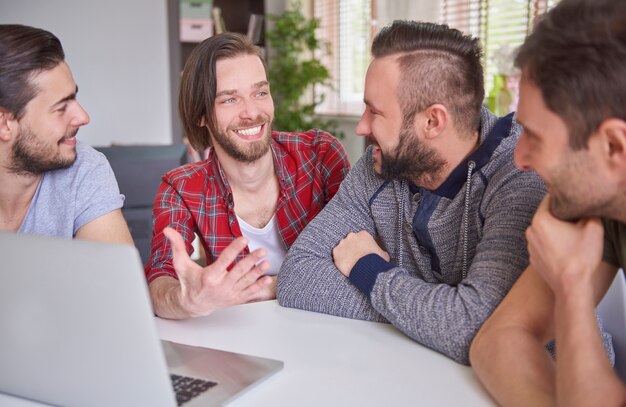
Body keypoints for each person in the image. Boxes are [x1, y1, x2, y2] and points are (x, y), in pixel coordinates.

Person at [276, 20, 546, 364]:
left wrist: (366, 267)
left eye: (375, 112)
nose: (360, 127)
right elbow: (298, 276)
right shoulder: (380, 166)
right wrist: (434, 315)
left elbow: (477, 327)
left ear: (432, 122)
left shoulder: (520, 173)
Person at [470, 0, 626, 404]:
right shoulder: (598, 197)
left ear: (613, 146)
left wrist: (572, 285)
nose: (519, 159)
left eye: (535, 136)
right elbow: (498, 339)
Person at [145, 33, 350, 320]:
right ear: (200, 115)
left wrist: (271, 287)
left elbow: (360, 258)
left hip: (331, 327)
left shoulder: (320, 154)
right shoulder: (180, 188)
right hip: (245, 341)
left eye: (260, 92)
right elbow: (160, 278)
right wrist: (184, 300)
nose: (252, 112)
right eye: (230, 99)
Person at [0, 24, 132, 244]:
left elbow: (114, 277)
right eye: (61, 108)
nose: (83, 117)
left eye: (74, 98)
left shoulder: (85, 166)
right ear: (5, 123)